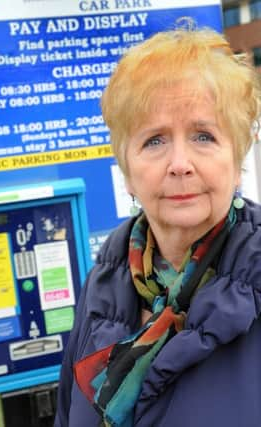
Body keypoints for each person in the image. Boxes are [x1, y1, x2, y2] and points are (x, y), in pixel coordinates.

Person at [54, 22, 261, 427]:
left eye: (203, 136)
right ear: (127, 172)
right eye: (154, 141)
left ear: (236, 162)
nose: (180, 164)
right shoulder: (103, 282)